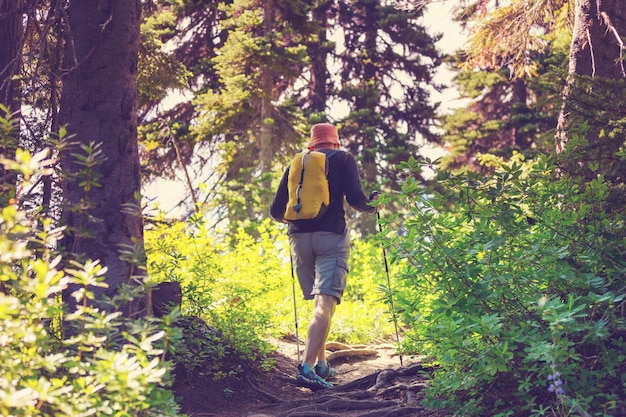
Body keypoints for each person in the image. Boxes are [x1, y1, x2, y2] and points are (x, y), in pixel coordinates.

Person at [270, 123, 379, 391]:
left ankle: (321, 365)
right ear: (335, 142)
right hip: (330, 237)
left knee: (320, 304)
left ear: (313, 144)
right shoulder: (343, 159)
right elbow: (356, 200)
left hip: (298, 239)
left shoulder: (298, 163)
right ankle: (307, 368)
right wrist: (375, 203)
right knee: (325, 302)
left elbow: (275, 211)